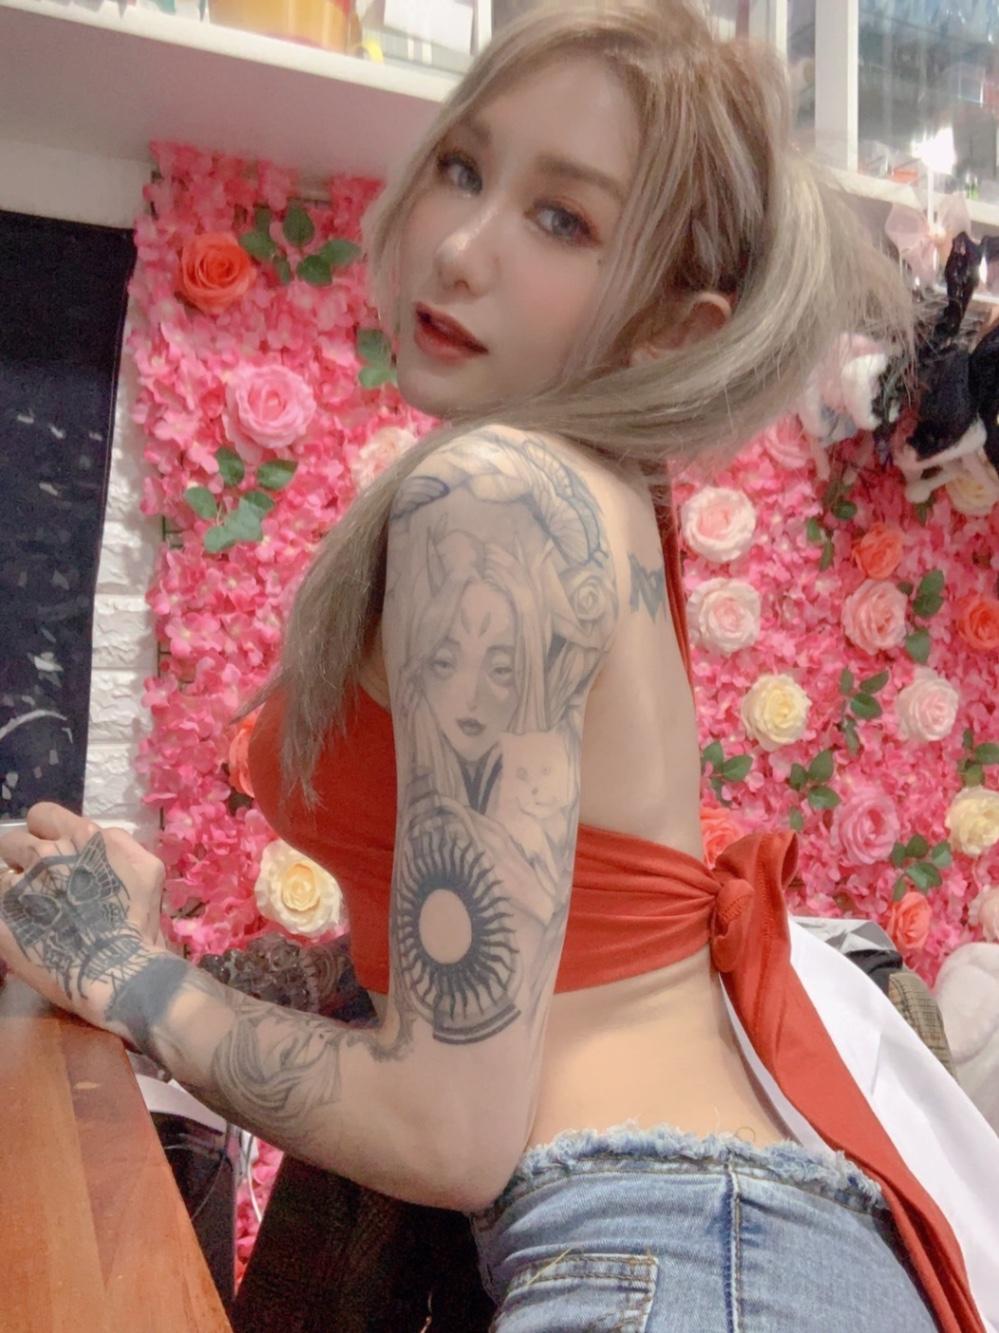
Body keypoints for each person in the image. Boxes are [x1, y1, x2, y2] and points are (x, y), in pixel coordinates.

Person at [1, 3, 997, 1329]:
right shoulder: (592, 490)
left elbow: (449, 1125)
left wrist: (118, 973)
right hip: (731, 1239)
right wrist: (143, 943)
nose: (461, 246)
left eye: (563, 219)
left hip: (675, 1261)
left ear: (670, 325)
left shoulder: (501, 495)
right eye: (464, 167)